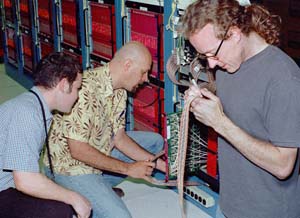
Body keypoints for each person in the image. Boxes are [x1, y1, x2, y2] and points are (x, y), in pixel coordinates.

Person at [181, 1, 300, 218]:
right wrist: (204, 98)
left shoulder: (284, 79)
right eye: (203, 56)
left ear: (234, 34)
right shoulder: (228, 65)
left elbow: (283, 166)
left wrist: (219, 122)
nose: (212, 65)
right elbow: (244, 110)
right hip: (228, 205)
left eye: (212, 53)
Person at [43, 41, 166, 218]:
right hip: (69, 168)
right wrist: (129, 169)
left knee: (154, 143)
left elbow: (119, 139)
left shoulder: (120, 90)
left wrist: (160, 166)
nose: (146, 79)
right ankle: (73, 193)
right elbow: (78, 151)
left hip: (97, 155)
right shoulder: (84, 89)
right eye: (143, 72)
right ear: (128, 65)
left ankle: (98, 189)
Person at [0, 52, 91, 218]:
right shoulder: (26, 113)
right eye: (77, 88)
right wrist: (73, 198)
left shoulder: (32, 105)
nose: (77, 96)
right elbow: (25, 180)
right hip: (4, 189)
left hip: (8, 184)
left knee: (62, 199)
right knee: (58, 210)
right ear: (64, 84)